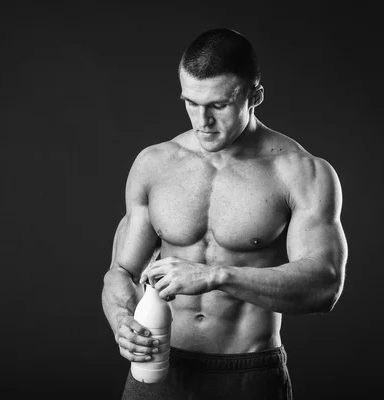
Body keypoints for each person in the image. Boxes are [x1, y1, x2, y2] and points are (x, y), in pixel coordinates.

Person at [101, 28, 347, 400]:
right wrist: (123, 321)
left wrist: (217, 276)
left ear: (254, 96)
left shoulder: (300, 172)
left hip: (249, 373)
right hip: (158, 368)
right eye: (190, 102)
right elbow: (121, 272)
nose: (202, 120)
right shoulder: (154, 164)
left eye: (218, 105)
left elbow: (325, 286)